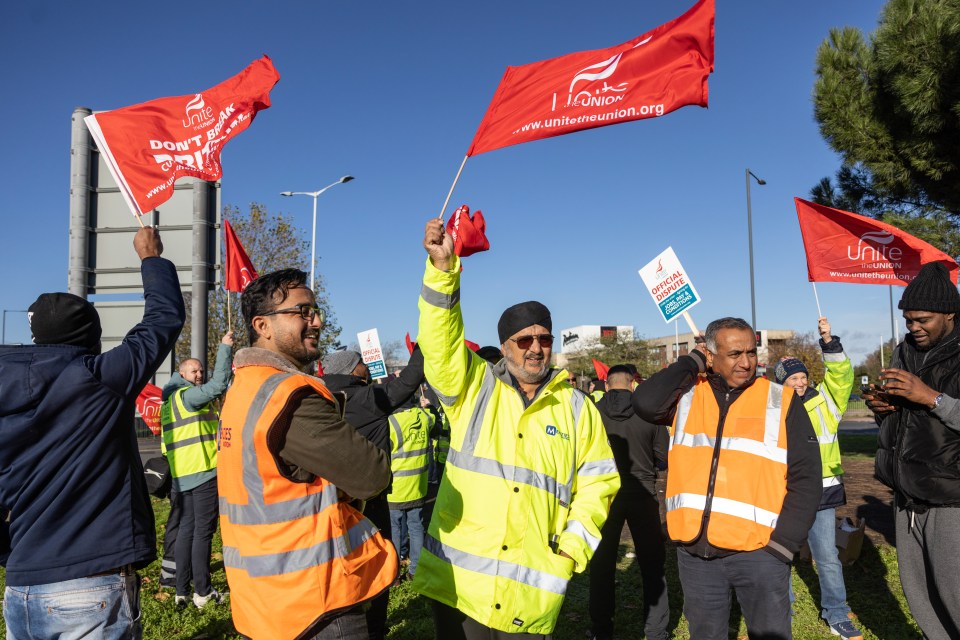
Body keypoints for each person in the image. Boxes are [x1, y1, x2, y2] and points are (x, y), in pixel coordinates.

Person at [415, 218, 620, 638]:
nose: (536, 348)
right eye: (524, 341)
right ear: (505, 346)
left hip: (532, 587)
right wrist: (441, 272)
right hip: (461, 585)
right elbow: (440, 343)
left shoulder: (578, 408)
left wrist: (571, 549)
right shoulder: (472, 386)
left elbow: (599, 483)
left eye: (544, 339)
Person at [0, 227, 184, 639]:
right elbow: (163, 321)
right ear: (90, 336)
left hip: (21, 588)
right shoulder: (98, 379)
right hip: (90, 582)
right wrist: (151, 258)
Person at [218, 268, 398, 639]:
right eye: (301, 312)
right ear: (262, 325)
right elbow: (372, 475)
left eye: (315, 311)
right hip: (315, 604)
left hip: (262, 600)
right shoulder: (289, 396)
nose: (315, 321)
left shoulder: (242, 388)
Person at [633, 316, 822, 640]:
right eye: (735, 354)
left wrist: (783, 545)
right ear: (710, 355)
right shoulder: (687, 396)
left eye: (751, 352)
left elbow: (807, 478)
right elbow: (645, 402)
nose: (746, 362)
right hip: (696, 555)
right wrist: (691, 362)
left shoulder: (780, 400)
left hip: (761, 553)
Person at [870, 262, 960, 639]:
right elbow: (903, 422)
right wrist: (882, 410)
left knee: (956, 598)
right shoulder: (902, 352)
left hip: (951, 501)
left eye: (922, 319)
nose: (914, 327)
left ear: (950, 314)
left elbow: (933, 405)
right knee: (923, 600)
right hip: (906, 497)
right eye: (908, 320)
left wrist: (930, 397)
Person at [322, 346, 425, 640]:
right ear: (351, 370)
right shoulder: (365, 398)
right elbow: (409, 380)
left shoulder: (322, 398)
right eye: (361, 363)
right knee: (379, 562)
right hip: (371, 500)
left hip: (333, 500)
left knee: (344, 567)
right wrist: (423, 346)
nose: (366, 367)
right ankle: (375, 628)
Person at [774, 317, 861, 639]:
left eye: (801, 376)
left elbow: (840, 376)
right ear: (781, 383)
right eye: (791, 378)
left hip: (822, 493)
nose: (798, 382)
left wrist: (828, 342)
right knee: (779, 554)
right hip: (784, 492)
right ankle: (781, 610)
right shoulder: (773, 409)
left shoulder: (827, 401)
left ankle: (837, 613)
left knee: (826, 557)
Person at [588, 365, 670, 640]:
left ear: (607, 385)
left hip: (603, 494)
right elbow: (664, 454)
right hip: (643, 491)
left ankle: (601, 631)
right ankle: (656, 631)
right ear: (633, 384)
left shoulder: (593, 412)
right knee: (652, 565)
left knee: (601, 564)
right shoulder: (649, 413)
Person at [160, 332, 235, 607]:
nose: (200, 373)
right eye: (194, 370)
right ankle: (203, 591)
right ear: (182, 374)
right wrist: (225, 348)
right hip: (203, 472)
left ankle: (182, 590)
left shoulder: (169, 401)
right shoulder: (188, 396)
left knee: (186, 532)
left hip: (182, 476)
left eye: (201, 369)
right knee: (203, 532)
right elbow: (219, 385)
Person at [386, 401, 434, 580]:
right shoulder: (424, 417)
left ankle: (395, 574)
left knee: (395, 530)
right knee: (416, 527)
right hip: (418, 486)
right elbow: (434, 419)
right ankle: (416, 570)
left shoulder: (390, 421)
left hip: (396, 488)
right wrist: (428, 407)